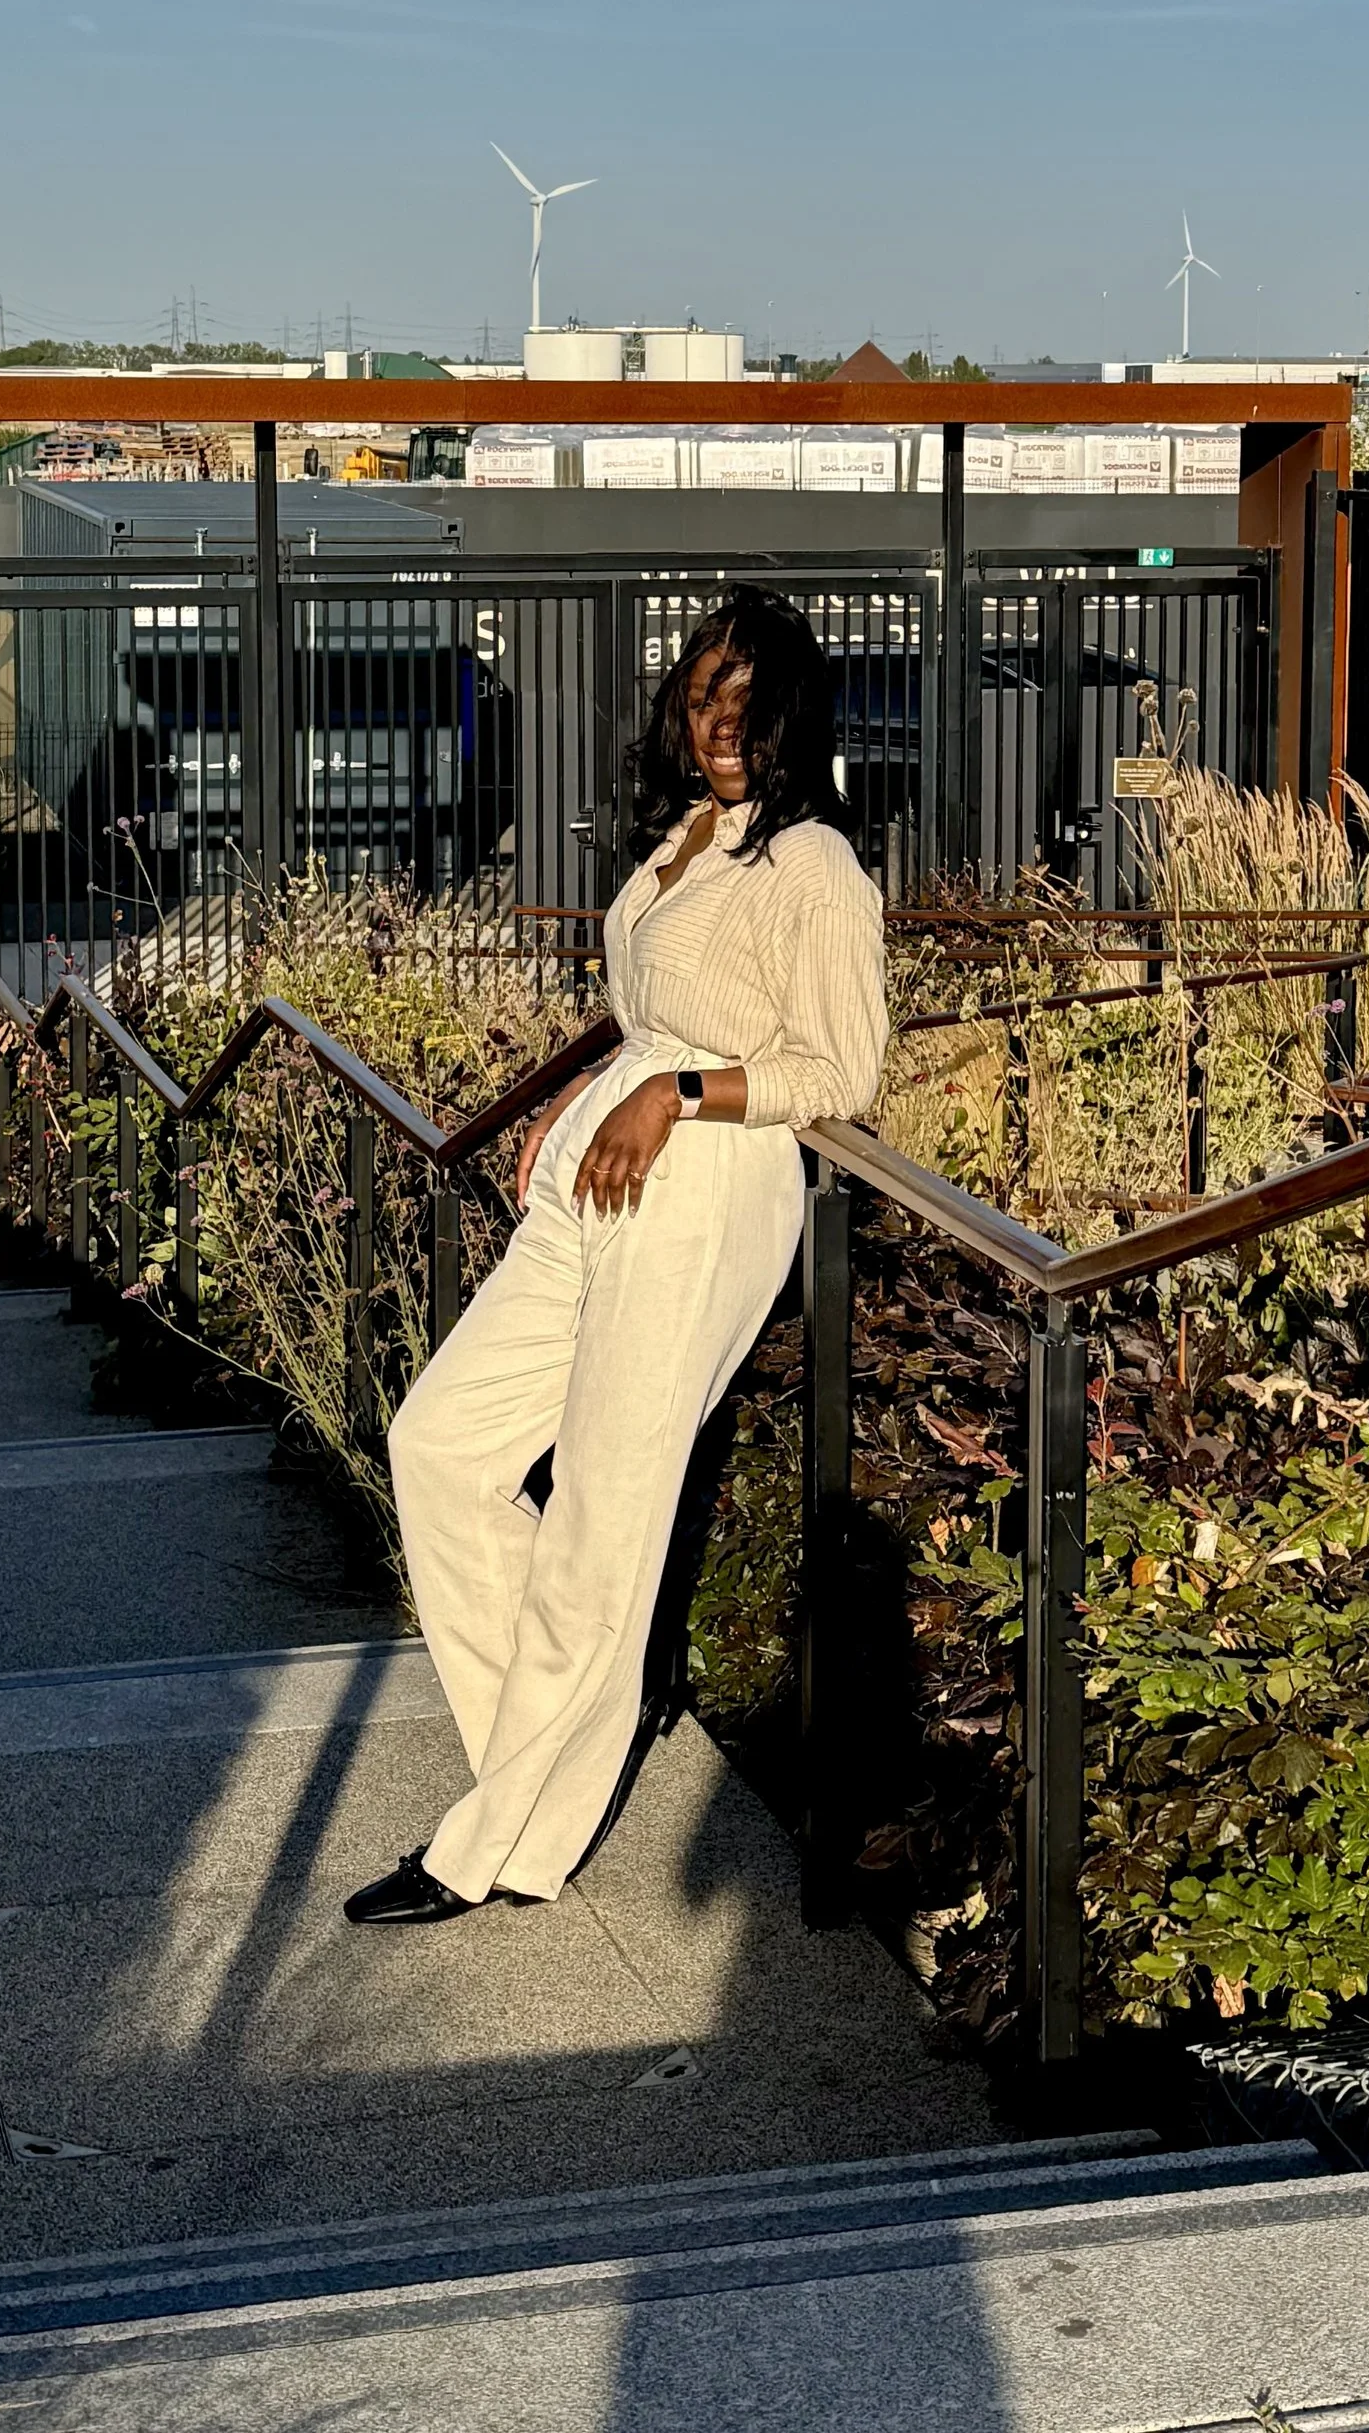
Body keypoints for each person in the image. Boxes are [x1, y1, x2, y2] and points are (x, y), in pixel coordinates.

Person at [344, 586, 887, 1923]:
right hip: (602, 1177)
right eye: (706, 695)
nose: (721, 722)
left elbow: (846, 1069)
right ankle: (564, 1732)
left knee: (600, 1519)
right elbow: (640, 1022)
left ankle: (499, 1846)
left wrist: (678, 1095)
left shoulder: (813, 866)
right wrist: (580, 1105)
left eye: (748, 703)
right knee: (444, 1448)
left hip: (705, 1193)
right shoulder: (695, 839)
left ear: (791, 716)